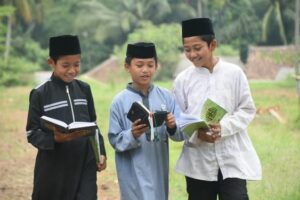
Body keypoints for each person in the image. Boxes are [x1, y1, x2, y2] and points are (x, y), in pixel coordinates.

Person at [173, 18, 262, 200]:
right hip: (198, 164)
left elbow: (246, 109)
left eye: (197, 48)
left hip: (232, 159)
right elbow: (178, 119)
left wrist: (223, 128)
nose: (192, 54)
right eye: (187, 50)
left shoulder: (234, 73)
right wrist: (197, 134)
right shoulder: (182, 80)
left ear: (212, 44)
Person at [26, 35, 107, 200]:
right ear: (51, 63)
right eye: (65, 65)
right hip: (54, 167)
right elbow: (32, 132)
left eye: (76, 64)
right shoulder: (40, 93)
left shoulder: (84, 89)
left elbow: (93, 126)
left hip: (84, 163)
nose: (72, 70)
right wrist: (54, 138)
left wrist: (101, 153)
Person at [108, 42, 184, 200]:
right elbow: (114, 139)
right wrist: (132, 134)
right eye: (139, 65)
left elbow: (179, 133)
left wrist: (172, 126)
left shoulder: (166, 97)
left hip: (158, 167)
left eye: (150, 65)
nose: (145, 70)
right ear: (127, 66)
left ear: (157, 66)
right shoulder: (119, 102)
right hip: (132, 171)